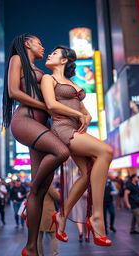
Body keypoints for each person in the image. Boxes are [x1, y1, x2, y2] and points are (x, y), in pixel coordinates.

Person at [2, 33, 69, 256]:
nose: (43, 47)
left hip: (41, 126)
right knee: (61, 151)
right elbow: (14, 91)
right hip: (25, 121)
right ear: (27, 44)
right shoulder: (17, 60)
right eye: (39, 42)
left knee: (40, 193)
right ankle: (33, 186)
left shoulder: (41, 71)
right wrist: (44, 105)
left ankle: (31, 248)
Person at [41, 45, 113, 246]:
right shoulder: (49, 79)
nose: (49, 54)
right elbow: (51, 105)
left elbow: (82, 109)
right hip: (63, 128)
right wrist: (79, 115)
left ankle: (62, 216)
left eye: (54, 53)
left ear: (64, 60)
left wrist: (87, 115)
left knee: (88, 173)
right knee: (106, 151)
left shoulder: (71, 82)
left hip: (77, 130)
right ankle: (97, 217)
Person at [38, 184, 60, 256]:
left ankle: (39, 254)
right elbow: (57, 196)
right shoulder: (48, 184)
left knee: (38, 237)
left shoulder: (35, 183)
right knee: (53, 235)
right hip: (47, 213)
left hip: (36, 212)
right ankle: (55, 254)